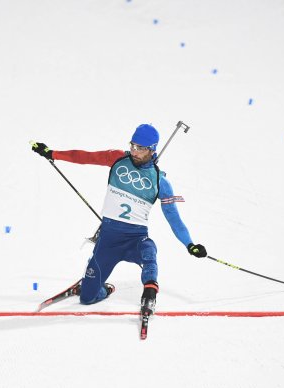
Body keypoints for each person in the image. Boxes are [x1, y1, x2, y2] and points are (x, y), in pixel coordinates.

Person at [31, 124, 207, 316]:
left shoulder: (160, 182)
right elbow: (85, 157)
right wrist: (53, 153)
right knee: (87, 298)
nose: (134, 151)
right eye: (133, 145)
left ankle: (149, 294)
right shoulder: (118, 159)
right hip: (108, 241)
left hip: (135, 240)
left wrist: (190, 244)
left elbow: (174, 219)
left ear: (152, 149)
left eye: (140, 148)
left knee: (149, 251)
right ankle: (104, 288)